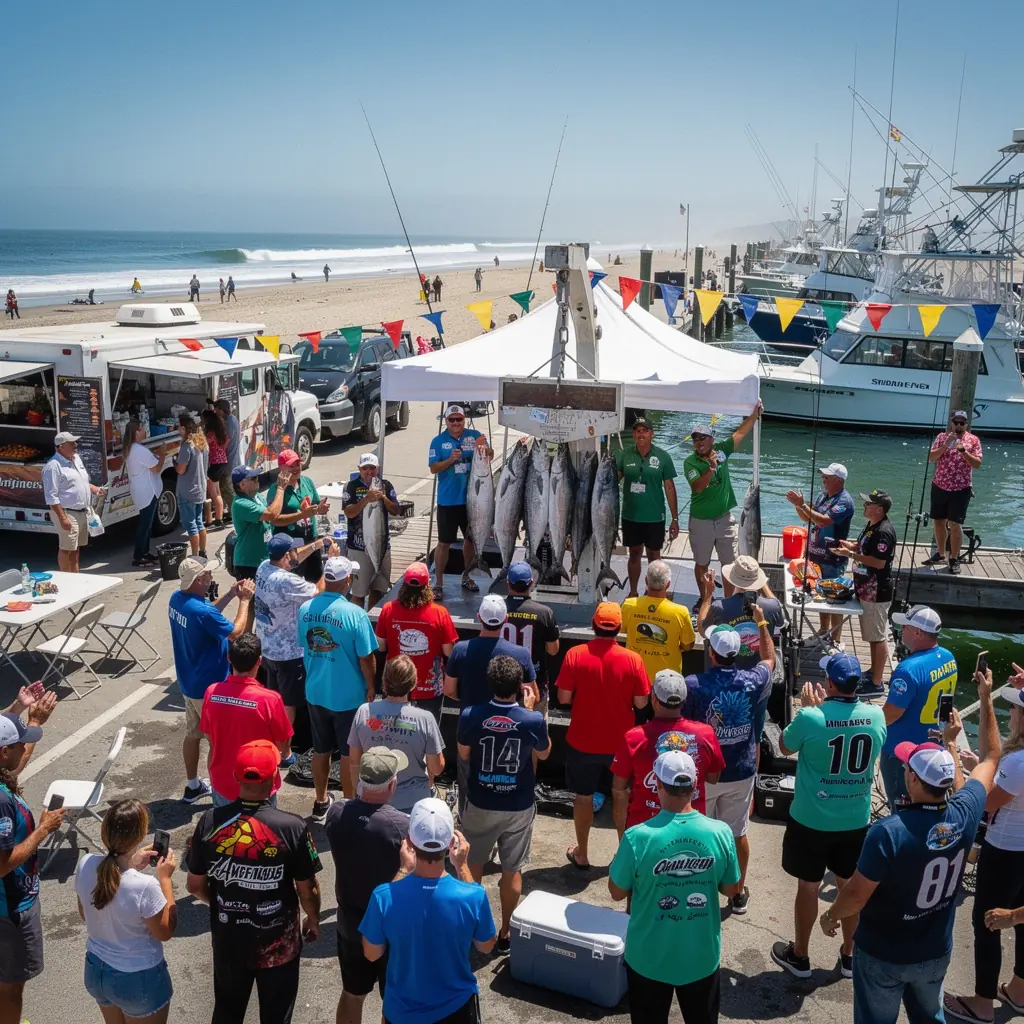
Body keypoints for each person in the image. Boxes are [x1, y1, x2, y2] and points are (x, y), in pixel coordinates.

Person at [819, 665, 1001, 1024]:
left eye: (908, 768)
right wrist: (983, 701)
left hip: (885, 954)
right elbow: (992, 757)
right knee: (929, 1015)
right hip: (934, 950)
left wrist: (830, 916)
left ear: (913, 779)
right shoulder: (964, 814)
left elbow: (856, 895)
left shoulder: (888, 832)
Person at [186, 740, 322, 1024]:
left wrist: (223, 903)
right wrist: (313, 918)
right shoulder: (293, 827)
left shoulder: (210, 821)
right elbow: (307, 888)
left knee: (227, 1012)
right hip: (279, 946)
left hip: (229, 942)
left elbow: (194, 885)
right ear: (275, 779)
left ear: (236, 777)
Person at [771, 653, 887, 979]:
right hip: (855, 819)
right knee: (848, 888)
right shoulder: (876, 716)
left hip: (811, 819)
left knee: (808, 886)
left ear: (829, 683)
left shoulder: (812, 717)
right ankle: (850, 956)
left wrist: (808, 710)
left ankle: (801, 955)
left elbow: (784, 746)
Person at [608, 750, 741, 1024]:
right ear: (695, 785)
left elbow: (616, 891)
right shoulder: (721, 833)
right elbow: (731, 890)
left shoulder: (637, 836)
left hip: (648, 958)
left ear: (656, 783)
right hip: (701, 956)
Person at [359, 798, 497, 1024]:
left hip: (402, 1012)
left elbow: (371, 953)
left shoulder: (383, 897)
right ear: (452, 841)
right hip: (457, 1010)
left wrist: (403, 870)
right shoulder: (473, 895)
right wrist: (462, 867)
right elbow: (486, 945)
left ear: (409, 842)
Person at [457, 656, 551, 951]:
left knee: (472, 864)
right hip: (518, 804)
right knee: (512, 870)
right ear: (521, 687)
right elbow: (545, 754)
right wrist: (531, 711)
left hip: (481, 800)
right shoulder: (532, 719)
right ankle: (507, 931)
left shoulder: (471, 714)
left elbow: (463, 753)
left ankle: (473, 926)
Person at [684, 611, 775, 914]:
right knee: (737, 834)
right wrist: (761, 623)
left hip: (704, 774)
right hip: (741, 771)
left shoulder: (693, 685)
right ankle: (736, 893)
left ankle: (697, 890)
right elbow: (769, 660)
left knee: (699, 834)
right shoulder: (752, 681)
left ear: (711, 652)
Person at [944, 684, 1024, 1022]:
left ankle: (981, 1003)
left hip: (1004, 853)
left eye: (1017, 709)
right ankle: (1019, 991)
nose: (1012, 713)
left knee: (986, 924)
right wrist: (983, 765)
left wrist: (954, 756)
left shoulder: (1019, 761)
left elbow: (977, 805)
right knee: (1022, 922)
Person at [557, 602, 650, 870]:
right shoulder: (633, 659)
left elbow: (563, 697)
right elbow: (642, 703)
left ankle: (582, 853)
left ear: (593, 624)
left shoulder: (575, 654)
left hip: (582, 741)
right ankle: (623, 855)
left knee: (583, 797)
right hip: (621, 744)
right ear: (619, 628)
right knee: (620, 795)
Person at [325, 748, 410, 1024]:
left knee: (352, 993)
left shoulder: (336, 813)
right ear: (392, 784)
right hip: (391, 927)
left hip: (350, 921)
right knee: (394, 1001)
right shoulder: (403, 826)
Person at [73, 800, 178, 1024]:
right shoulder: (145, 885)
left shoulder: (86, 864)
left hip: (96, 971)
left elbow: (86, 913)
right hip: (137, 978)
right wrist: (166, 879)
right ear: (140, 835)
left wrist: (131, 864)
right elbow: (165, 932)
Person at [168, 556, 255, 803]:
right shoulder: (200, 610)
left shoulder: (178, 599)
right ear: (198, 581)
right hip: (209, 688)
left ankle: (193, 785)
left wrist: (228, 595)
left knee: (192, 735)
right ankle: (220, 796)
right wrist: (244, 601)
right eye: (206, 575)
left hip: (188, 682)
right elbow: (235, 633)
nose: (210, 578)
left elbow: (208, 615)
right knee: (217, 745)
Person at [298, 556, 378, 821]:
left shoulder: (305, 609)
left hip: (316, 692)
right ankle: (347, 806)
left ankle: (320, 800)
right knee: (348, 754)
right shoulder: (356, 614)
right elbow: (366, 657)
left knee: (320, 750)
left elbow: (305, 644)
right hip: (348, 697)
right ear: (346, 581)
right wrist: (371, 686)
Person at [0, 700, 62, 1024]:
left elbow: (15, 765)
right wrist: (43, 829)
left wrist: (35, 722)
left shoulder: (2, 777)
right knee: (12, 985)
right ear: (1, 753)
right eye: (19, 742)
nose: (24, 746)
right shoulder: (0, 802)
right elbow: (2, 863)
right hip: (9, 909)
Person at [612, 669, 724, 833]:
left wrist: (624, 841)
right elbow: (713, 778)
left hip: (645, 831)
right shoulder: (705, 734)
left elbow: (619, 787)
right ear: (683, 700)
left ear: (653, 698)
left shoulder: (633, 738)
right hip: (690, 829)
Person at [255, 532, 330, 761]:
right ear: (286, 555)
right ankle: (285, 752)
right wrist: (326, 568)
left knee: (274, 699)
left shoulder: (263, 567)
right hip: (288, 653)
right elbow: (318, 593)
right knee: (288, 704)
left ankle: (272, 742)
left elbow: (295, 558)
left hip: (267, 647)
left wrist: (318, 545)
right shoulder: (287, 580)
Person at [877, 605, 956, 810]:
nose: (902, 630)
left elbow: (891, 714)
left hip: (903, 753)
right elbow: (946, 704)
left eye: (906, 627)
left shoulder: (908, 670)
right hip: (933, 747)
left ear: (918, 632)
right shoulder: (949, 658)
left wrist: (868, 723)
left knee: (901, 809)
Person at [200, 633, 293, 806]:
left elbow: (209, 736)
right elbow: (283, 744)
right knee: (262, 832)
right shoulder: (270, 700)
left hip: (223, 783)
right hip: (260, 784)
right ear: (259, 661)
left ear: (229, 658)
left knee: (224, 831)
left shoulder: (211, 692)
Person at [683, 402, 762, 597]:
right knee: (702, 563)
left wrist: (754, 416)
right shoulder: (689, 462)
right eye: (695, 439)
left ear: (712, 439)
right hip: (701, 520)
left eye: (703, 438)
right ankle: (705, 599)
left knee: (730, 564)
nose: (699, 442)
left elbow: (739, 434)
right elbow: (698, 487)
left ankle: (728, 601)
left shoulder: (722, 449)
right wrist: (711, 468)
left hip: (725, 518)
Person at [348, 656, 445, 813]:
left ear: (384, 682)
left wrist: (357, 794)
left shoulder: (364, 711)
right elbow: (437, 768)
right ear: (413, 684)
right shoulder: (425, 719)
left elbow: (354, 761)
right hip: (412, 802)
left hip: (371, 799)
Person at [375, 562, 458, 718]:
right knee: (427, 736)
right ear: (428, 585)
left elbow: (380, 648)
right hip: (429, 689)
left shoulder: (387, 609)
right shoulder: (440, 613)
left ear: (403, 585)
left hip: (395, 686)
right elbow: (449, 652)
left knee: (394, 735)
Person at [785, 462, 855, 647]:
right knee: (819, 595)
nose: (823, 480)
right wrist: (798, 506)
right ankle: (824, 630)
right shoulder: (823, 495)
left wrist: (803, 505)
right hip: (815, 555)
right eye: (823, 476)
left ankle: (836, 638)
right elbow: (806, 517)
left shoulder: (844, 502)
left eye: (828, 477)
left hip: (833, 558)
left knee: (834, 599)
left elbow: (823, 521)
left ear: (839, 481)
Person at [835, 489, 897, 696]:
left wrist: (851, 554)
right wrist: (850, 545)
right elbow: (865, 548)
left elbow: (879, 562)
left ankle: (876, 682)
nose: (864, 506)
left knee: (878, 636)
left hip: (876, 591)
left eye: (868, 504)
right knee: (872, 636)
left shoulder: (884, 532)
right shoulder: (872, 526)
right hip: (865, 589)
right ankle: (873, 672)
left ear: (879, 510)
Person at [427, 405, 490, 597]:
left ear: (464, 419)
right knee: (444, 543)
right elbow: (433, 468)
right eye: (452, 420)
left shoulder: (474, 435)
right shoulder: (438, 441)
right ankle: (438, 582)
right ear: (446, 421)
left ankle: (466, 576)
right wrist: (450, 461)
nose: (456, 423)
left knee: (470, 540)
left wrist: (486, 450)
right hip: (448, 500)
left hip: (472, 500)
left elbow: (490, 455)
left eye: (459, 420)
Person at [616, 417, 680, 597]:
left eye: (644, 430)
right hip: (631, 515)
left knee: (654, 555)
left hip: (654, 516)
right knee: (634, 554)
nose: (640, 434)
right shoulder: (624, 455)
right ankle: (634, 592)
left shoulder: (663, 456)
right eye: (637, 431)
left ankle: (654, 592)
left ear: (652, 434)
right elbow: (612, 482)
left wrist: (675, 519)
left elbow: (669, 487)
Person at [444, 594, 536, 709]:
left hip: (470, 722)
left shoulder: (460, 649)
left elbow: (449, 691)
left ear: (479, 617)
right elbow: (532, 694)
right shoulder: (522, 654)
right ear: (506, 619)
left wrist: (467, 700)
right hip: (508, 724)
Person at [696, 558, 784, 670]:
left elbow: (702, 631)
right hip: (761, 673)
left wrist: (708, 594)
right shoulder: (773, 606)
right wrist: (762, 584)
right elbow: (780, 622)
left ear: (732, 579)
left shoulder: (719, 607)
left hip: (729, 673)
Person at [925, 410, 983, 575]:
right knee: (938, 521)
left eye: (962, 423)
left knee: (955, 524)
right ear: (951, 423)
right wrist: (945, 445)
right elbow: (931, 458)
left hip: (961, 489)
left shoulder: (973, 440)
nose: (958, 425)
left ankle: (954, 558)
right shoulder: (942, 437)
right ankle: (941, 553)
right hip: (939, 486)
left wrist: (964, 451)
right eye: (956, 422)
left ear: (966, 424)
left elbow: (977, 464)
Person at [343, 452, 402, 610]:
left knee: (378, 589)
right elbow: (349, 512)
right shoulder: (351, 486)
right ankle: (357, 622)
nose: (369, 471)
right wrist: (366, 499)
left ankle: (373, 621)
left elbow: (396, 510)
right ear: (359, 469)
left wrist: (383, 498)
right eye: (365, 468)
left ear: (378, 469)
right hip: (358, 548)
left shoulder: (386, 485)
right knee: (358, 592)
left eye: (372, 468)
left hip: (381, 545)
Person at [42, 430, 106, 573]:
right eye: (71, 443)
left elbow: (80, 482)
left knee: (76, 547)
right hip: (67, 512)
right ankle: (66, 578)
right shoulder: (53, 466)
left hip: (82, 511)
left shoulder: (76, 458)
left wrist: (94, 489)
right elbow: (51, 496)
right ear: (61, 447)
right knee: (66, 548)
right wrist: (63, 518)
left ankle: (75, 577)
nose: (75, 445)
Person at [503, 561, 561, 716]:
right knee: (535, 732)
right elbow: (553, 650)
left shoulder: (498, 609)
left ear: (508, 583)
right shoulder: (544, 613)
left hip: (501, 681)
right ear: (532, 583)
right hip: (534, 683)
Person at [621, 559, 695, 681]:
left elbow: (620, 630)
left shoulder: (628, 605)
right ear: (668, 584)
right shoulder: (681, 612)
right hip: (668, 681)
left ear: (646, 581)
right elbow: (688, 645)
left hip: (635, 679)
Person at [267, 449, 330, 584]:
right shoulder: (276, 490)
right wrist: (302, 514)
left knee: (316, 582)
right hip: (289, 547)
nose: (296, 468)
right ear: (281, 468)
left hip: (310, 540)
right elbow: (275, 520)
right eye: (291, 465)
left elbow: (316, 505)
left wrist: (321, 509)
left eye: (297, 464)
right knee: (293, 584)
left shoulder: (307, 482)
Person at [229, 465, 289, 580]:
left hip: (264, 560)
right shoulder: (240, 503)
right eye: (253, 479)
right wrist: (281, 489)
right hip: (248, 563)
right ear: (242, 485)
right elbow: (272, 514)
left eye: (257, 477)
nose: (258, 480)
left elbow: (272, 518)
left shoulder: (257, 497)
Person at [123, 418, 167, 568]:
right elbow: (156, 468)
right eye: (143, 429)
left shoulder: (133, 449)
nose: (145, 431)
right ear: (137, 432)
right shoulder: (139, 450)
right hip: (147, 492)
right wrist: (162, 454)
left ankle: (145, 551)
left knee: (147, 524)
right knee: (145, 524)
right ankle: (138, 556)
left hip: (142, 490)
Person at [174, 412, 211, 557]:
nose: (178, 431)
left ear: (183, 428)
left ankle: (195, 555)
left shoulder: (187, 446)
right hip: (200, 489)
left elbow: (181, 470)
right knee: (199, 522)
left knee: (191, 525)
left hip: (187, 490)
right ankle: (202, 552)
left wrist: (175, 462)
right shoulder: (202, 443)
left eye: (179, 428)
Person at [214, 398, 242, 520]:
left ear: (221, 410)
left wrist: (218, 448)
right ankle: (231, 511)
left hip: (229, 461)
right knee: (227, 488)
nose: (215, 411)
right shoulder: (233, 419)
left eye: (217, 409)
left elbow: (227, 440)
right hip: (232, 459)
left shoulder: (230, 422)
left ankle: (233, 513)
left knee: (227, 488)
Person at [203, 408, 230, 530]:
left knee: (213, 493)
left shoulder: (210, 434)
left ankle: (218, 520)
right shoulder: (221, 432)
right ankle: (218, 518)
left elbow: (202, 444)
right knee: (217, 491)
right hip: (222, 462)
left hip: (214, 464)